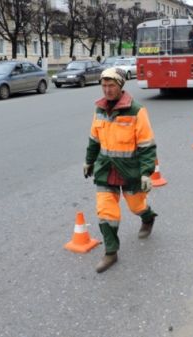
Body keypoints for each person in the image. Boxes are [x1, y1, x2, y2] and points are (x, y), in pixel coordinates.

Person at [83, 67, 158, 273]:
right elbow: (94, 139)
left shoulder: (136, 110)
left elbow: (146, 145)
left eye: (111, 86)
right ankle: (111, 252)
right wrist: (88, 161)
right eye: (104, 86)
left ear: (120, 86)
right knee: (106, 212)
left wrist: (146, 172)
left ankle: (148, 217)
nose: (107, 90)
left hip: (131, 171)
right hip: (105, 170)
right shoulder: (99, 110)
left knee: (136, 206)